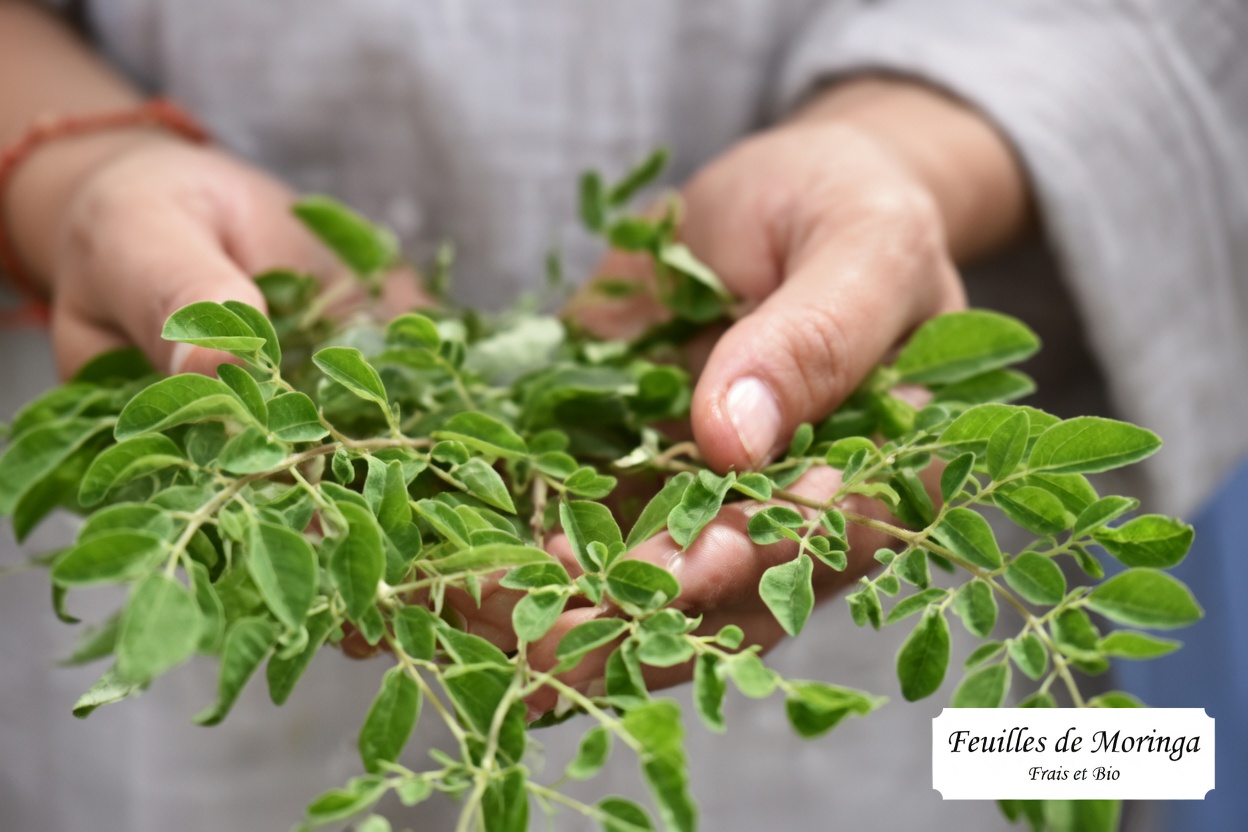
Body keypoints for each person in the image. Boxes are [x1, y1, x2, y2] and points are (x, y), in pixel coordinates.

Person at [1, 1, 1245, 830]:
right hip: (159, 753)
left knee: (1018, 761)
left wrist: (905, 159)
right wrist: (77, 178)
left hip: (886, 669)